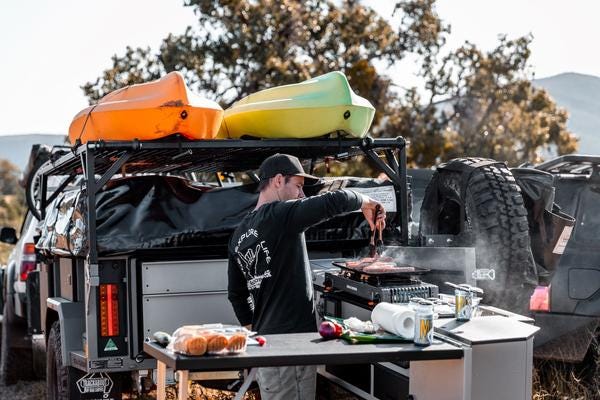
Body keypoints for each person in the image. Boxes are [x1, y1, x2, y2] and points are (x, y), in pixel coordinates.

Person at [227, 153, 385, 400]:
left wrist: (256, 332)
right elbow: (337, 200)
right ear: (278, 180)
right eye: (298, 186)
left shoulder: (239, 234)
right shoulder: (280, 215)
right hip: (291, 346)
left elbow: (237, 295)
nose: (301, 195)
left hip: (269, 346)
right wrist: (367, 201)